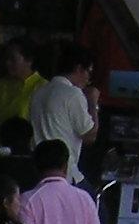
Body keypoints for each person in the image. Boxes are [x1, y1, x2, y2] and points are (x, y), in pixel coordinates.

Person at [30, 41, 96, 171]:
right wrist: (93, 103)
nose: (88, 79)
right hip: (64, 169)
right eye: (89, 72)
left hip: (39, 167)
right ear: (79, 69)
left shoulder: (38, 92)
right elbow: (89, 136)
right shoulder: (73, 93)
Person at [0, 36, 41, 141]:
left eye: (13, 59)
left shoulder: (42, 88)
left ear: (29, 60)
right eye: (6, 59)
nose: (7, 63)